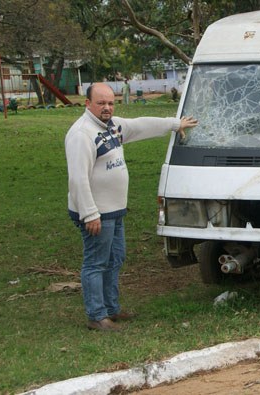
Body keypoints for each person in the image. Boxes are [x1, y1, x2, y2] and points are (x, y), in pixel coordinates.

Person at [65, 83, 198, 331]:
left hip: (114, 211)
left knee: (116, 257)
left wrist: (174, 123)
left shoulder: (112, 126)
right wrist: (89, 213)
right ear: (87, 103)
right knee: (96, 262)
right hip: (97, 214)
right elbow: (78, 178)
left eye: (110, 103)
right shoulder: (81, 134)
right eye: (100, 103)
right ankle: (96, 316)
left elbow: (140, 125)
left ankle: (111, 309)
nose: (106, 107)